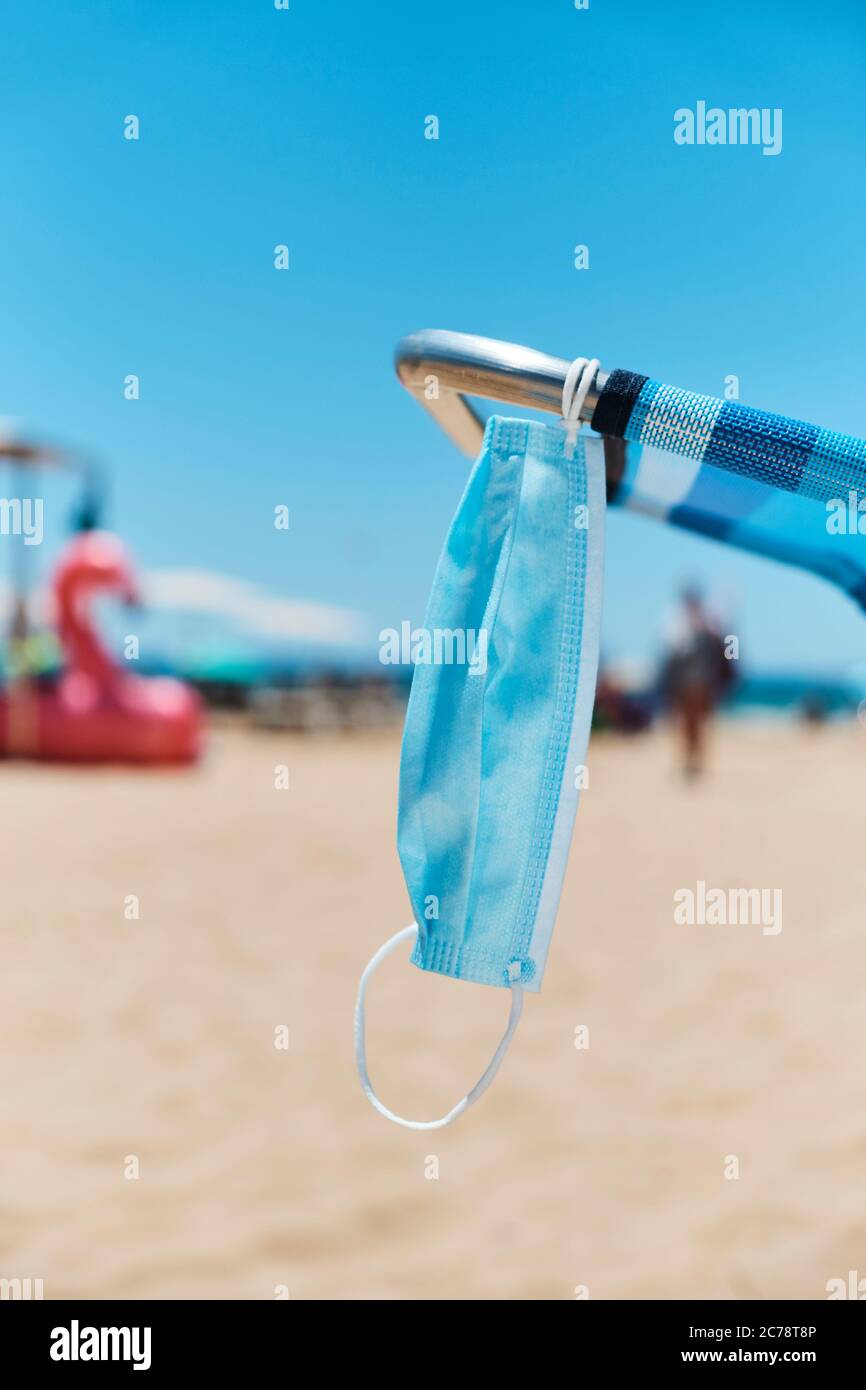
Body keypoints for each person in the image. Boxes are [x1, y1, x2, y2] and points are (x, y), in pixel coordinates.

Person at [660, 585, 734, 777]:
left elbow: (724, 642)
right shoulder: (678, 621)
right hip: (687, 681)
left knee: (698, 722)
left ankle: (696, 759)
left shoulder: (708, 619)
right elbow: (673, 648)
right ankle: (691, 758)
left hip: (701, 680)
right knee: (688, 722)